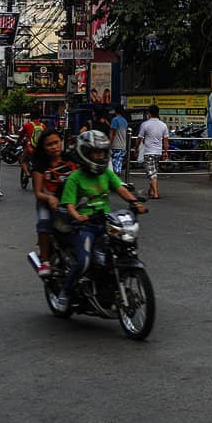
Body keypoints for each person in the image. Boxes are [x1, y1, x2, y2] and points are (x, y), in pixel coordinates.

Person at [54, 130, 146, 311]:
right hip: (85, 226)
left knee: (122, 250)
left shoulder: (106, 174)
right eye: (96, 152)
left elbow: (120, 188)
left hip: (105, 223)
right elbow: (69, 204)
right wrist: (77, 216)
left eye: (103, 152)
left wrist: (134, 202)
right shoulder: (75, 178)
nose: (100, 156)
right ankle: (64, 293)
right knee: (84, 261)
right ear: (85, 154)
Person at [30, 129, 76, 277]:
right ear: (43, 147)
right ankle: (45, 260)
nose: (54, 147)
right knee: (44, 224)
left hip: (71, 201)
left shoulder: (70, 159)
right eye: (49, 144)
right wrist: (49, 198)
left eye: (56, 142)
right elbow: (38, 193)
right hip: (47, 202)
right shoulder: (40, 166)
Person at [136, 104, 171, 199]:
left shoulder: (145, 124)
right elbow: (166, 141)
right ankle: (151, 191)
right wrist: (165, 152)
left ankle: (155, 193)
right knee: (153, 172)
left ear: (149, 113)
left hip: (148, 152)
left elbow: (139, 138)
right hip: (158, 152)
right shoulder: (163, 125)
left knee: (151, 173)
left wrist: (135, 148)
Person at [108, 105, 131, 175]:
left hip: (115, 146)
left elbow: (112, 133)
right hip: (123, 146)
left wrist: (109, 143)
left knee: (115, 168)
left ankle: (116, 182)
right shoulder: (125, 121)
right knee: (118, 165)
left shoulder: (115, 120)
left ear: (115, 111)